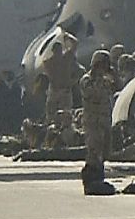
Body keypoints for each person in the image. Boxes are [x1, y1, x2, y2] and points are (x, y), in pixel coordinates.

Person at [78, 50, 118, 195]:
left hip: (105, 120)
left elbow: (114, 89)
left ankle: (99, 176)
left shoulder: (107, 79)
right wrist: (100, 80)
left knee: (105, 150)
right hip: (92, 121)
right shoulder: (86, 80)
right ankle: (91, 179)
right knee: (94, 150)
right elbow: (92, 94)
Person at [39, 33, 79, 149]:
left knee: (60, 115)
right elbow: (76, 44)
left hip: (58, 90)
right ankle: (53, 138)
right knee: (59, 115)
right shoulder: (65, 59)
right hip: (61, 90)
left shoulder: (48, 62)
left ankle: (60, 138)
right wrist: (68, 36)